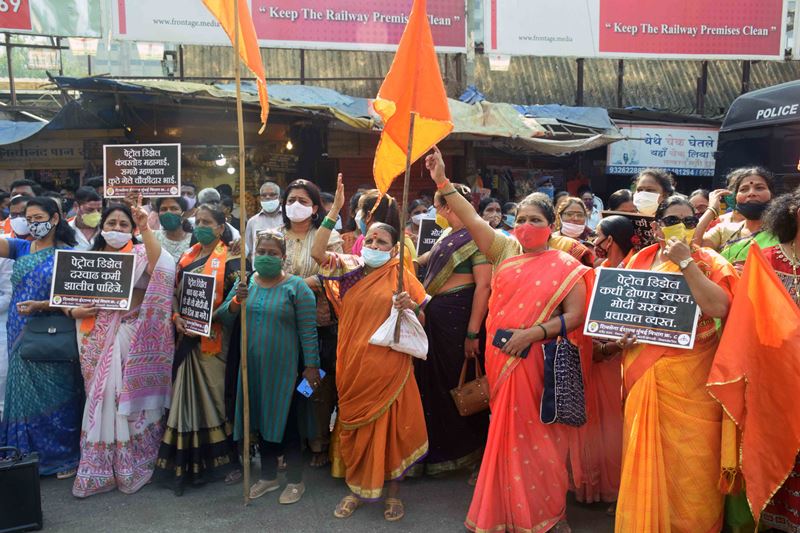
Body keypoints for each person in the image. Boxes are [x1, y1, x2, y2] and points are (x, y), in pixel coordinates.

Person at [426, 147, 593, 533]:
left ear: (550, 225)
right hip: (502, 357)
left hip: (540, 361)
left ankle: (547, 514)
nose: (526, 224)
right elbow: (468, 216)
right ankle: (504, 511)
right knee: (505, 434)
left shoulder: (567, 265)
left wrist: (533, 333)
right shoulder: (504, 250)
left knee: (544, 441)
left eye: (535, 219)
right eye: (520, 218)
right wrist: (441, 180)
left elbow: (575, 316)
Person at [614, 195, 736, 532]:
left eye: (687, 218)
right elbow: (620, 311)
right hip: (642, 374)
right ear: (656, 227)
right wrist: (618, 336)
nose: (678, 226)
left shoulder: (710, 260)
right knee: (645, 460)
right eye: (670, 220)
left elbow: (719, 308)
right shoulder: (640, 260)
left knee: (693, 465)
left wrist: (686, 262)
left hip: (693, 382)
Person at [311, 176, 430, 522]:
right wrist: (334, 211)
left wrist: (409, 305)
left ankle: (393, 494)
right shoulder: (347, 267)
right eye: (371, 239)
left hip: (390, 367)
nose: (375, 244)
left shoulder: (399, 273)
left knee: (393, 431)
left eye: (382, 241)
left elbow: (423, 313)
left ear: (393, 248)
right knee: (355, 429)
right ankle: (356, 490)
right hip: (352, 365)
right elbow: (318, 253)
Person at [72, 203, 176, 497]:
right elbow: (66, 296)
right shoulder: (86, 260)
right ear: (101, 226)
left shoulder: (141, 254)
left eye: (123, 225)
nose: (116, 229)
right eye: (111, 223)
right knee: (100, 396)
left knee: (120, 398)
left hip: (131, 335)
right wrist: (73, 311)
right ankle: (99, 469)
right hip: (93, 336)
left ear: (131, 230)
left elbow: (162, 270)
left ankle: (133, 462)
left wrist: (145, 227)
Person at [218, 230, 320, 504]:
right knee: (260, 421)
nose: (265, 257)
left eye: (272, 253)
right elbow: (222, 318)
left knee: (287, 425)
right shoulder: (244, 282)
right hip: (252, 369)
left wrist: (311, 368)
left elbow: (308, 331)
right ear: (252, 255)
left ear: (283, 257)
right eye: (261, 252)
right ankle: (269, 477)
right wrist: (237, 300)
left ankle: (296, 481)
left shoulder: (297, 287)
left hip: (287, 371)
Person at [155, 204, 241, 495]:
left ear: (221, 226)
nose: (201, 225)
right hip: (186, 338)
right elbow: (175, 295)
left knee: (217, 399)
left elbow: (234, 306)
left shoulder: (233, 258)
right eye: (198, 221)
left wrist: (208, 320)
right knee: (186, 399)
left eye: (207, 222)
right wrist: (178, 318)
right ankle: (191, 462)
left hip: (216, 342)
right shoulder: (187, 256)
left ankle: (228, 462)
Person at [412, 183, 490, 479]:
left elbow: (484, 285)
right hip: (436, 316)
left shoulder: (476, 236)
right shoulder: (448, 234)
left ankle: (471, 450)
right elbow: (425, 260)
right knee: (435, 387)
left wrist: (472, 333)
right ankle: (442, 451)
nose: (437, 212)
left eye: (437, 207)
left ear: (445, 207)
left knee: (461, 383)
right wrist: (402, 257)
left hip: (459, 319)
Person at [0, 197, 83, 477]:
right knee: (22, 395)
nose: (33, 223)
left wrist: (41, 304)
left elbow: (73, 298)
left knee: (58, 394)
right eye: (28, 218)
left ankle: (63, 457)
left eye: (38, 218)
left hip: (53, 331)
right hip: (19, 331)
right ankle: (25, 456)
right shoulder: (21, 247)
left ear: (55, 218)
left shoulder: (69, 253)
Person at [572, 216, 635, 510]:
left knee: (615, 426)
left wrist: (611, 347)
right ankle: (595, 487)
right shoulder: (597, 272)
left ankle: (619, 489)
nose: (593, 242)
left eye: (597, 235)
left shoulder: (636, 273)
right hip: (595, 358)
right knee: (597, 423)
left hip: (624, 360)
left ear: (609, 241)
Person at [280, 178, 342, 469]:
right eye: (291, 199)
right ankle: (293, 440)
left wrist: (293, 286)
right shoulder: (276, 236)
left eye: (303, 201)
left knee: (315, 383)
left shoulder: (328, 237)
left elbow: (330, 276)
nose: (296, 205)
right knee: (287, 383)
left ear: (316, 208)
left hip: (319, 325)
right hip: (281, 324)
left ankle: (319, 441)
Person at [756, 189, 800, 531]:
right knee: (779, 450)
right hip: (775, 376)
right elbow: (749, 318)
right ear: (794, 212)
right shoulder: (765, 260)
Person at [693, 167, 778, 270]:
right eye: (743, 189)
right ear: (736, 198)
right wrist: (711, 210)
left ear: (772, 195)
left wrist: (753, 273)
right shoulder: (724, 230)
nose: (751, 193)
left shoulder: (784, 233)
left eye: (759, 188)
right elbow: (694, 248)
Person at [244, 181, 283, 260]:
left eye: (272, 195)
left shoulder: (288, 219)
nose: (268, 197)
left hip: (284, 270)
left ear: (279, 198)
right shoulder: (252, 222)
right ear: (260, 198)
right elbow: (248, 250)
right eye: (264, 195)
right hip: (259, 270)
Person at [154, 197, 193, 263]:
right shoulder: (152, 237)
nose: (168, 212)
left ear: (184, 214)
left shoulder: (194, 240)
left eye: (174, 209)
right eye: (163, 209)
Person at [68, 186, 103, 251]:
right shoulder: (64, 229)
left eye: (99, 210)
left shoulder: (106, 230)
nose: (95, 214)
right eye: (90, 210)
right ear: (76, 207)